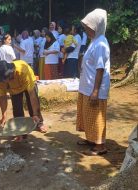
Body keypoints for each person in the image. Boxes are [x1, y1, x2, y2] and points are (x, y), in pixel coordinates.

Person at [76, 8, 110, 156]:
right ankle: (91, 139)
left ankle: (100, 145)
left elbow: (100, 68)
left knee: (96, 116)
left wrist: (95, 91)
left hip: (94, 88)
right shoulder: (94, 40)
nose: (86, 29)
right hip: (86, 87)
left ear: (96, 26)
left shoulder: (101, 43)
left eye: (88, 27)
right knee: (87, 114)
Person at [0, 60, 48, 141]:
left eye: (4, 80)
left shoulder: (23, 71)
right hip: (14, 90)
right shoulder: (1, 80)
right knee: (17, 108)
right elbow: (3, 97)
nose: (2, 82)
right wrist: (3, 117)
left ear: (10, 74)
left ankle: (39, 122)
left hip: (26, 84)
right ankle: (20, 130)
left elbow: (32, 95)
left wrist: (35, 114)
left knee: (32, 105)